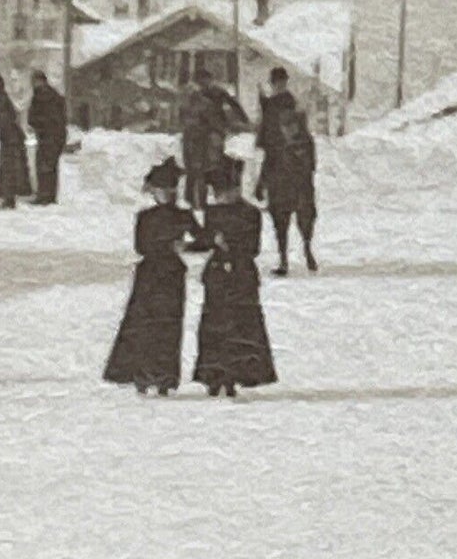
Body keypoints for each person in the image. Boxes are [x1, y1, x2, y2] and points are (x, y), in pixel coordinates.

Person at [103, 157, 204, 396]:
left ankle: (166, 376)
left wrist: (186, 247)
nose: (167, 195)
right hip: (150, 275)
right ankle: (143, 374)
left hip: (171, 275)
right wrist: (170, 245)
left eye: (170, 191)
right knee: (145, 324)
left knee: (169, 325)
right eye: (162, 191)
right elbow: (142, 246)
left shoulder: (184, 216)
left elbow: (203, 238)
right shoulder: (146, 217)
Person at [193, 156, 278, 398]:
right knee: (214, 324)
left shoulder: (250, 213)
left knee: (241, 324)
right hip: (218, 274)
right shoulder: (213, 212)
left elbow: (253, 246)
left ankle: (239, 373)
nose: (223, 197)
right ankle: (213, 375)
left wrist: (229, 247)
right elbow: (205, 238)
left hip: (241, 274)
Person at [257, 67, 319, 276]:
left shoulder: (284, 106)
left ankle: (306, 249)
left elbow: (310, 163)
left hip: (294, 180)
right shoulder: (278, 108)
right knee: (282, 220)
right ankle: (286, 257)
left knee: (301, 218)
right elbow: (268, 155)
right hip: (283, 179)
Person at [180, 66, 249, 212]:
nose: (203, 84)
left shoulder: (212, 93)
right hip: (201, 137)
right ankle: (195, 200)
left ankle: (198, 200)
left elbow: (232, 104)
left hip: (204, 137)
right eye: (201, 81)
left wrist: (242, 119)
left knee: (201, 168)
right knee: (199, 168)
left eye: (205, 80)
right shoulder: (196, 98)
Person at [0, 74, 33, 209]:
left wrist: (4, 134)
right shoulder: (3, 97)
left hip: (10, 140)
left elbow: (5, 120)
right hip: (12, 138)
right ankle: (10, 198)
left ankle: (9, 199)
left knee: (9, 170)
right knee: (12, 170)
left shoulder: (1, 98)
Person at [26, 70, 68, 205]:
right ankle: (50, 196)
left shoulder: (41, 95)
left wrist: (36, 124)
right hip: (56, 136)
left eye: (34, 81)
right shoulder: (54, 95)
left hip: (47, 136)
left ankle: (44, 196)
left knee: (44, 166)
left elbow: (39, 116)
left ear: (40, 81)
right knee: (51, 167)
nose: (32, 84)